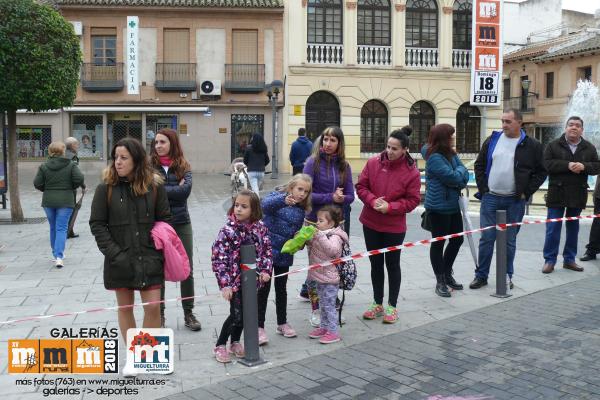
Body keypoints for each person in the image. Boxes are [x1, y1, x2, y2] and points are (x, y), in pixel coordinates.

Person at [89, 138, 171, 376]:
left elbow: (165, 218)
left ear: (137, 160)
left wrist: (156, 245)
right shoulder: (106, 188)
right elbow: (97, 224)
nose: (118, 162)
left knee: (153, 307)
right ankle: (135, 358)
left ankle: (148, 357)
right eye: (116, 157)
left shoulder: (154, 187)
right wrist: (115, 254)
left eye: (124, 158)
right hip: (120, 259)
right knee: (125, 308)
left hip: (149, 256)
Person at [470, 109, 547, 289]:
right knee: (487, 238)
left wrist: (526, 192)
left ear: (520, 122)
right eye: (502, 121)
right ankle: (481, 276)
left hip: (514, 201)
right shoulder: (492, 140)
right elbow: (479, 165)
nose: (504, 125)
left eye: (508, 121)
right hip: (491, 198)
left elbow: (542, 171)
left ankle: (506, 276)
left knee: (509, 241)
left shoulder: (532, 145)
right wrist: (484, 189)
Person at [356, 127, 420, 323]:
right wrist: (373, 200)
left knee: (392, 265)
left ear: (405, 150)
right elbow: (361, 186)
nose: (389, 151)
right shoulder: (373, 162)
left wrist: (390, 207)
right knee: (376, 264)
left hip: (393, 227)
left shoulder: (412, 172)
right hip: (371, 222)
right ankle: (377, 303)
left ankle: (392, 306)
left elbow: (413, 200)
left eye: (394, 148)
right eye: (388, 147)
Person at [211, 189, 272, 363]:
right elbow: (218, 258)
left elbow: (267, 251)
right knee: (237, 315)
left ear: (254, 210)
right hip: (235, 283)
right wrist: (226, 285)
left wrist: (266, 270)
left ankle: (235, 342)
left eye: (244, 206)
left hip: (254, 282)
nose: (238, 209)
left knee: (247, 314)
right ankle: (220, 344)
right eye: (236, 205)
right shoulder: (227, 231)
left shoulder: (260, 228)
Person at [301, 126, 355, 324]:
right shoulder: (312, 163)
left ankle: (331, 301)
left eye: (333, 140)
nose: (328, 144)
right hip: (314, 222)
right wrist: (329, 197)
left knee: (333, 264)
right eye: (325, 139)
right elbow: (304, 193)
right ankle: (316, 309)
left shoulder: (345, 166)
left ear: (339, 143)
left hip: (336, 224)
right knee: (315, 268)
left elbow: (351, 195)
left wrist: (341, 198)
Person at [150, 128, 201, 331]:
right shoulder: (149, 166)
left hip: (181, 222)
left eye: (162, 142)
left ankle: (189, 313)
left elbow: (185, 191)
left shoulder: (183, 165)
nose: (158, 146)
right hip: (158, 224)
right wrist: (173, 190)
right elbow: (148, 191)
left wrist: (161, 189)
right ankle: (159, 316)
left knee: (186, 268)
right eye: (156, 142)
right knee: (158, 270)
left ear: (172, 143)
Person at [257, 174, 313, 344]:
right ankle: (259, 326)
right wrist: (283, 200)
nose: (302, 193)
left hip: (283, 253)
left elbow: (294, 232)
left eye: (306, 191)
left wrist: (300, 239)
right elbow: (264, 206)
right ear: (291, 187)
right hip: (265, 252)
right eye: (299, 189)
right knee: (263, 289)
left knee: (281, 289)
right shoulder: (277, 196)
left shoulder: (301, 209)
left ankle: (282, 323)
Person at [542, 117, 600, 273]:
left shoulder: (589, 147)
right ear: (565, 127)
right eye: (571, 125)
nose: (574, 128)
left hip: (577, 192)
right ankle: (549, 260)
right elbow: (546, 164)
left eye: (578, 126)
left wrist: (584, 166)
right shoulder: (553, 145)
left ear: (582, 130)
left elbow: (597, 166)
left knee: (573, 228)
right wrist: (567, 165)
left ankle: (569, 260)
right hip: (557, 192)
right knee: (553, 227)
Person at [422, 124, 469, 297]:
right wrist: (459, 173)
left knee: (457, 240)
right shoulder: (434, 157)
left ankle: (447, 273)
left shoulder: (451, 154)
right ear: (443, 138)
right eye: (451, 136)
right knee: (439, 243)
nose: (453, 138)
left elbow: (463, 174)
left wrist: (459, 173)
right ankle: (440, 280)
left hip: (453, 205)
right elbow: (453, 177)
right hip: (438, 207)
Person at [34, 141, 85, 268]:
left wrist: (46, 189)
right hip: (66, 200)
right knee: (61, 228)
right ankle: (59, 256)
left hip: (48, 201)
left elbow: (37, 183)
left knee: (53, 227)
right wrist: (71, 187)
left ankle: (55, 254)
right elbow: (79, 179)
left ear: (50, 151)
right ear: (63, 151)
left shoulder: (44, 166)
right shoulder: (70, 164)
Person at [306, 205, 348, 344]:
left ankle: (334, 332)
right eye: (317, 220)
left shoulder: (335, 236)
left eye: (321, 220)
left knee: (329, 305)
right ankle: (324, 327)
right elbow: (314, 247)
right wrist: (306, 238)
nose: (317, 223)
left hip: (330, 278)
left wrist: (320, 236)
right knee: (323, 304)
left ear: (331, 223)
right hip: (319, 276)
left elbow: (333, 251)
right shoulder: (321, 233)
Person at [65, 137, 86, 239]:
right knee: (71, 210)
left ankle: (67, 231)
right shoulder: (73, 157)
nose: (78, 146)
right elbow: (76, 175)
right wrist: (83, 186)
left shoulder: (61, 154)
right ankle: (69, 231)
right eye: (77, 144)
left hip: (60, 187)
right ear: (72, 146)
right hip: (70, 188)